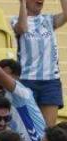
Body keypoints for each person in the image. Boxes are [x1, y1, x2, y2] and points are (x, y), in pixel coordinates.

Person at [12, 0, 67, 128]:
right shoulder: (16, 20)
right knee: (27, 128)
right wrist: (22, 4)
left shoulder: (49, 20)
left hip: (50, 81)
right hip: (27, 80)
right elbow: (23, 28)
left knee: (48, 130)